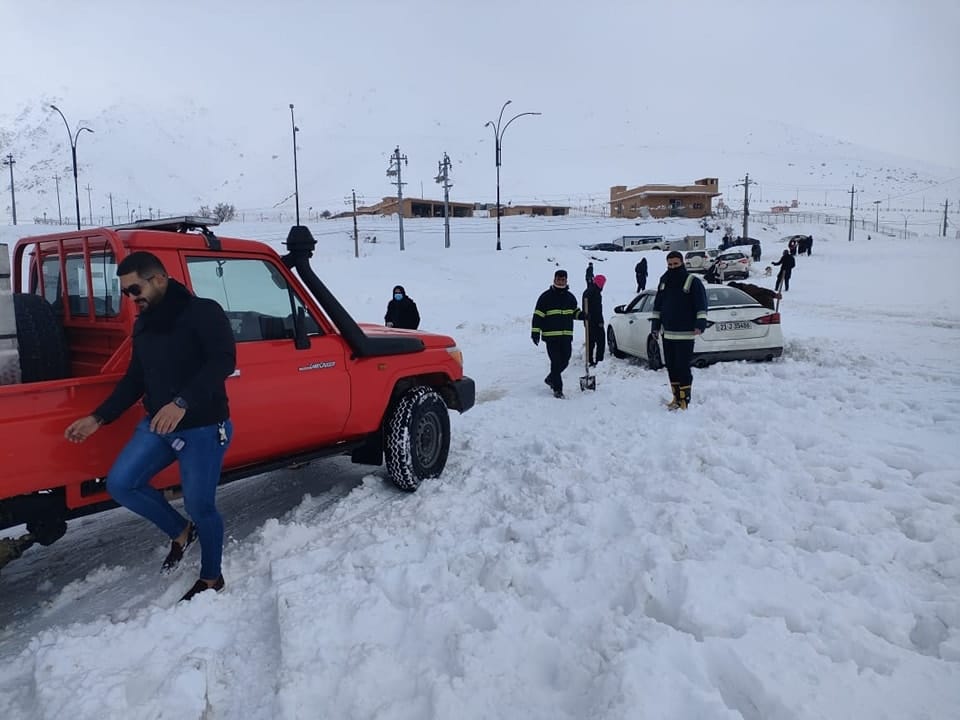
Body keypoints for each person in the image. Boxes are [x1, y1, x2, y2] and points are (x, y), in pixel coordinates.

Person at [63, 252, 236, 602]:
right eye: (125, 292)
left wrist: (182, 403)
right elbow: (135, 379)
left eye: (134, 289)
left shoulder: (203, 311)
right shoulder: (144, 323)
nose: (131, 298)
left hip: (202, 425)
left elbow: (224, 360)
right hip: (159, 423)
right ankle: (180, 531)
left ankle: (211, 578)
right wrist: (98, 417)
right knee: (122, 483)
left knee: (200, 505)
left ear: (159, 279)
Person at [650, 251, 707, 410]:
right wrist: (655, 325)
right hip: (667, 333)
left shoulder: (692, 281)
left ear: (682, 263)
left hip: (685, 334)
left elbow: (701, 305)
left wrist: (700, 322)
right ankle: (675, 397)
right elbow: (658, 306)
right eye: (670, 264)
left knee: (682, 367)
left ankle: (684, 400)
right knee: (672, 367)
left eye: (676, 264)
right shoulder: (664, 280)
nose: (673, 267)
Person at [531, 269, 584, 398]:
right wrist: (535, 332)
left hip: (566, 336)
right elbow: (538, 316)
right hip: (551, 337)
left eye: (563, 279)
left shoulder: (570, 297)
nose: (561, 281)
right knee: (555, 362)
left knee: (565, 361)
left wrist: (582, 315)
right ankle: (557, 389)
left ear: (566, 280)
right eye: (559, 279)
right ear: (554, 280)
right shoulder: (545, 297)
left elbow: (574, 312)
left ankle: (551, 378)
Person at [582, 274, 606, 366]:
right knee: (600, 341)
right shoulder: (595, 293)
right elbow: (597, 309)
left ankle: (590, 359)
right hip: (595, 322)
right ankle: (599, 361)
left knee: (590, 341)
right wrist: (600, 322)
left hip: (588, 320)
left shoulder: (587, 291)